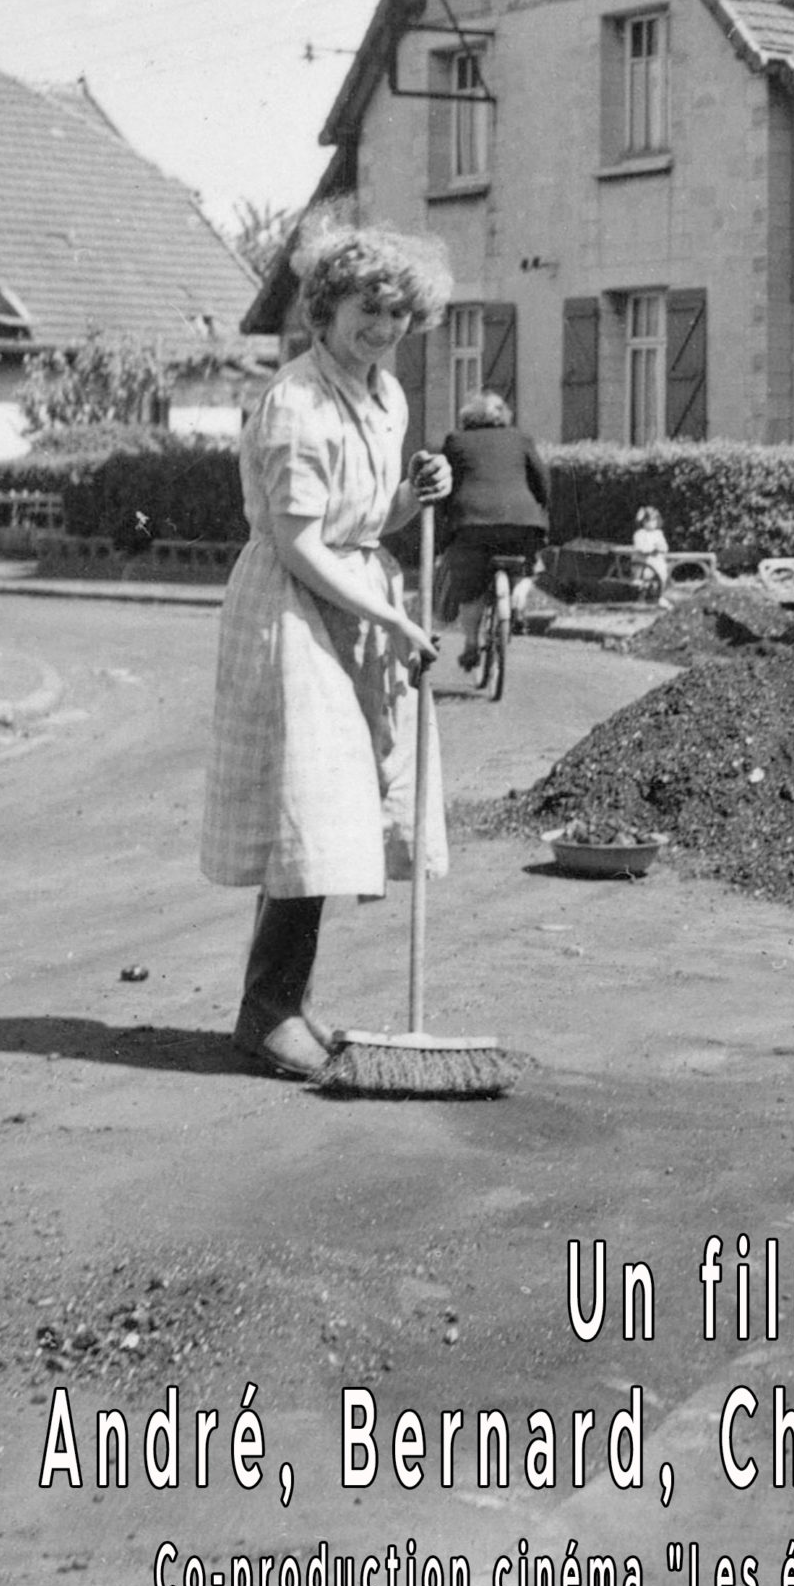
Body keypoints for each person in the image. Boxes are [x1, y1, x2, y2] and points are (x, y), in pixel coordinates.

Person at [201, 218, 454, 1080]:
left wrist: (416, 498)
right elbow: (301, 542)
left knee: (342, 805)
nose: (384, 328)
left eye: (398, 314)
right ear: (325, 309)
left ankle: (285, 1002)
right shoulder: (297, 402)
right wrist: (389, 619)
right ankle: (266, 1011)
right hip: (293, 605)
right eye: (368, 309)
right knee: (309, 804)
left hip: (355, 593)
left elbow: (365, 521)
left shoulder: (385, 394)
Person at [438, 389, 549, 679]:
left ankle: (472, 642)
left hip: (471, 524)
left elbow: (444, 486)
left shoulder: (455, 440)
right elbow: (542, 480)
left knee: (470, 586)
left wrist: (448, 519)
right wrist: (541, 511)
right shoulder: (520, 439)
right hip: (521, 522)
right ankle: (519, 599)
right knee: (528, 563)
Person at [630, 504, 671, 595]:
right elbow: (640, 547)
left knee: (663, 571)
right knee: (646, 572)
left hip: (656, 559)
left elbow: (665, 547)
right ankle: (643, 589)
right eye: (649, 521)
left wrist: (660, 547)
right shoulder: (640, 534)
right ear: (643, 522)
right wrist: (650, 549)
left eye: (655, 520)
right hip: (643, 560)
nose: (653, 523)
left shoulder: (658, 533)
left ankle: (663, 592)